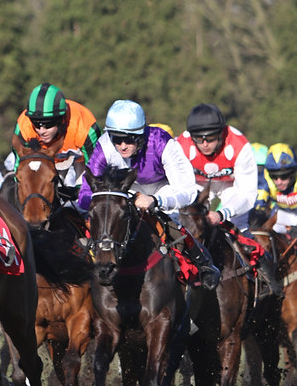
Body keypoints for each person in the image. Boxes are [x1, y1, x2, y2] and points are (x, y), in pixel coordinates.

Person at [78, 100, 221, 289]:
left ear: (141, 136)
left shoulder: (162, 142)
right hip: (123, 192)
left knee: (170, 220)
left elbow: (188, 190)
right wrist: (106, 200)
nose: (122, 146)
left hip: (162, 190)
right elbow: (84, 196)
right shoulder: (104, 145)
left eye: (129, 139)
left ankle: (203, 263)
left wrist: (156, 200)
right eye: (116, 139)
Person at [176, 103, 278, 293]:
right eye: (199, 138)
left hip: (230, 186)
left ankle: (265, 280)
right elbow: (177, 186)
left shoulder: (239, 145)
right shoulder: (180, 145)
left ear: (221, 134)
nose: (205, 144)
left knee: (239, 227)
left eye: (211, 138)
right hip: (195, 185)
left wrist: (222, 214)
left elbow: (247, 194)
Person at [0, 83, 102, 199]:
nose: (41, 131)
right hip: (38, 159)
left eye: (48, 124)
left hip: (78, 161)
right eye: (36, 124)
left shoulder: (84, 127)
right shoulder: (24, 127)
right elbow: (20, 173)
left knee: (84, 200)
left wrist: (78, 191)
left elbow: (95, 171)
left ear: (61, 119)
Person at [256, 143, 297, 237]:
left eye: (284, 176)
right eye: (274, 177)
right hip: (282, 215)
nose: (278, 182)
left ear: (293, 172)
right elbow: (259, 206)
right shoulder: (265, 177)